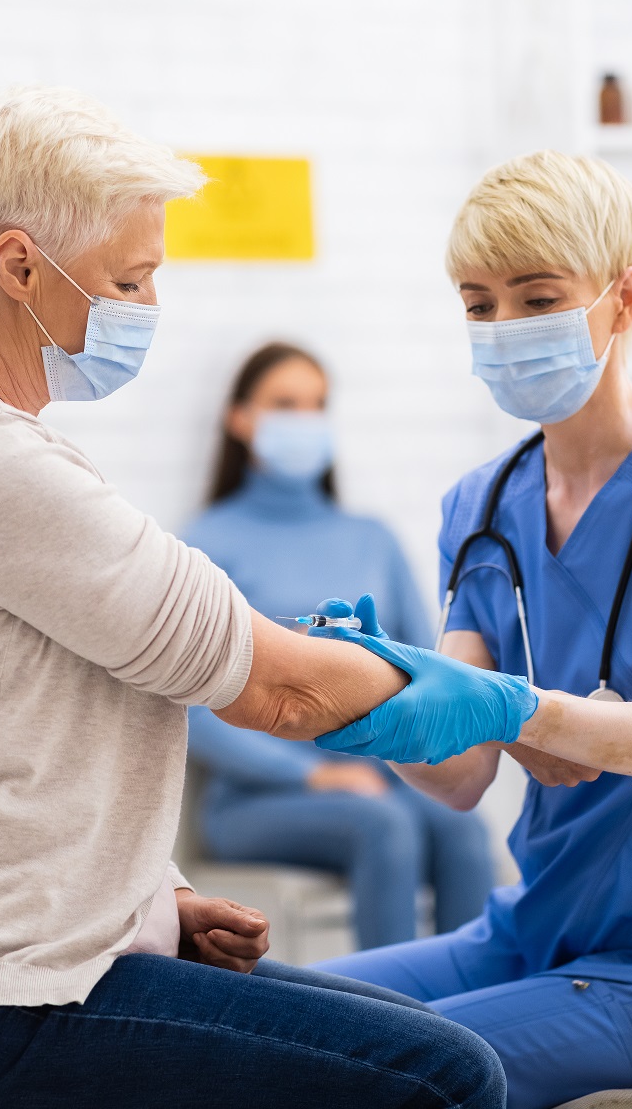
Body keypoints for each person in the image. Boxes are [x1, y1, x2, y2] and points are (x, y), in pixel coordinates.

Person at [0, 85, 552, 1109]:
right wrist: (514, 705)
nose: (146, 307)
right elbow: (276, 692)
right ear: (19, 266)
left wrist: (155, 898)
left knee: (428, 1042)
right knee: (448, 1078)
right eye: (129, 279)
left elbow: (6, 743)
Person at [313, 150, 632, 1109]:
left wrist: (520, 712)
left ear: (622, 301)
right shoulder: (484, 503)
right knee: (269, 1023)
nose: (504, 328)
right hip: (534, 933)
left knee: (378, 1075)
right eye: (479, 303)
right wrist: (371, 700)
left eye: (537, 297)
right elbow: (460, 776)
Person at [184, 342, 493, 950]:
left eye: (317, 404)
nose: (304, 420)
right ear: (240, 418)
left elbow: (422, 668)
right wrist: (313, 775)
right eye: (285, 403)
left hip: (374, 781)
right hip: (252, 801)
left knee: (465, 831)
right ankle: (397, 1033)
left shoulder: (371, 539)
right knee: (386, 827)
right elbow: (190, 709)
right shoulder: (205, 543)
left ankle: (469, 1025)